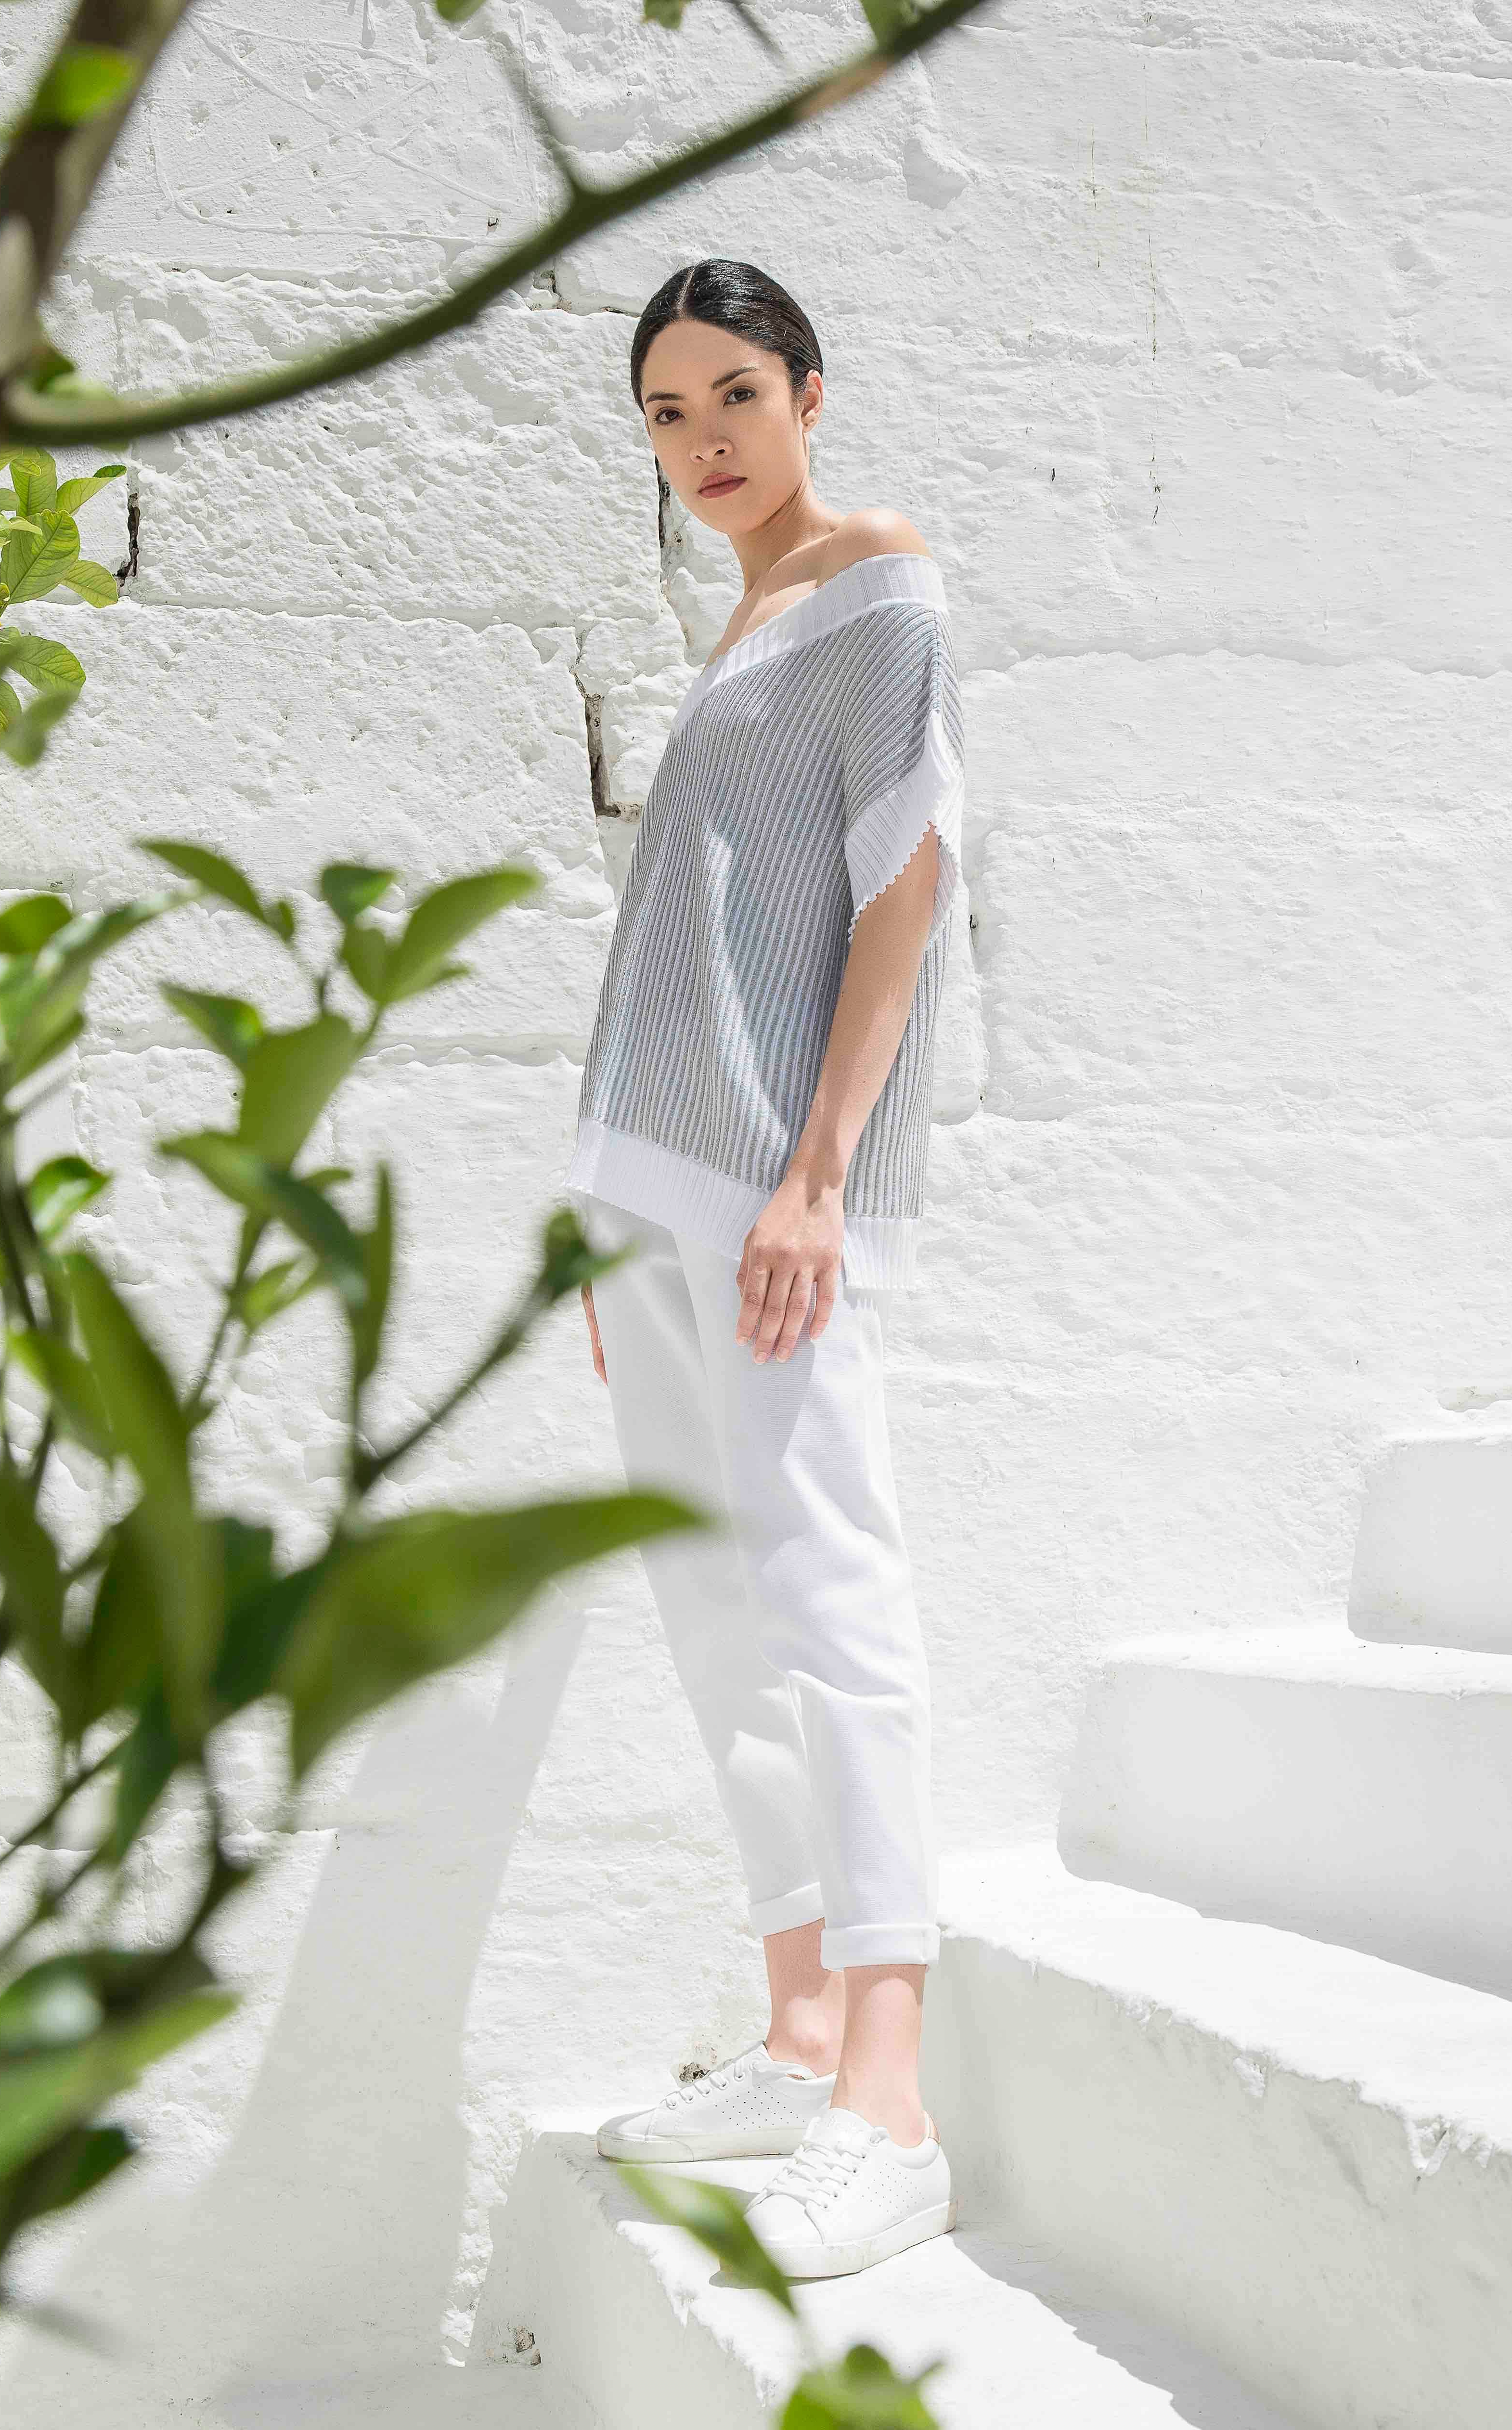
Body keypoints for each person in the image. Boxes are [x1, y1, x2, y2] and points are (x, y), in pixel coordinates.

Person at [564, 258, 967, 2282]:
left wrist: (813, 1173)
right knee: (717, 1615)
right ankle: (800, 2033)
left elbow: (905, 881)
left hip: (759, 1184)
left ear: (809, 390)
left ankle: (889, 2100)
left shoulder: (871, 574)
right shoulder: (737, 621)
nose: (703, 439)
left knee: (827, 1590)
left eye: (733, 392)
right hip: (641, 1187)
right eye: (665, 412)